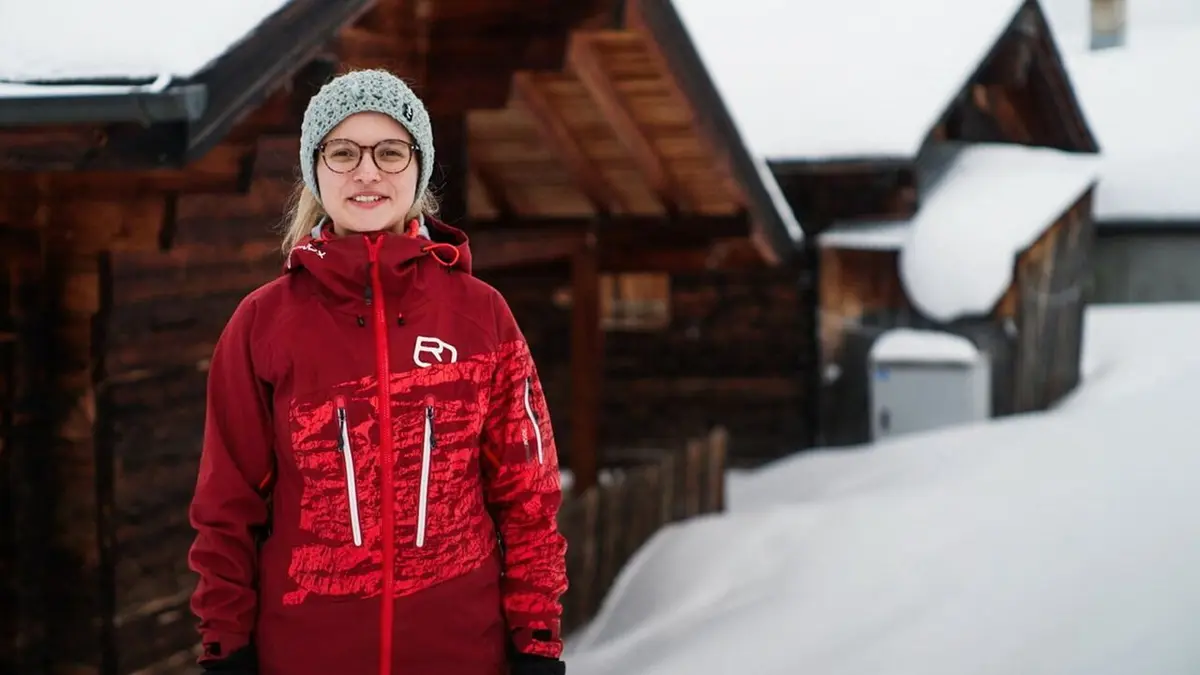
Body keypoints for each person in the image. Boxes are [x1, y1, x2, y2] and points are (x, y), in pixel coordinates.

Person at [186, 68, 569, 675]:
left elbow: (528, 498)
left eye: (391, 151)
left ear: (419, 168)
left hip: (460, 656)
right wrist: (226, 645)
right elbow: (226, 506)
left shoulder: (480, 316)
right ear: (316, 170)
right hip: (306, 657)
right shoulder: (263, 323)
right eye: (343, 151)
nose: (367, 172)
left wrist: (538, 639)